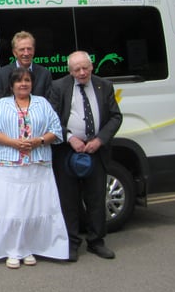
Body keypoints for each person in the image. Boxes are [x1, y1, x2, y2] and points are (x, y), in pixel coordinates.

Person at [0, 67, 69, 268]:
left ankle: (30, 248)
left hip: (37, 166)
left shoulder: (42, 104)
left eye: (27, 80)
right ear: (11, 85)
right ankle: (12, 250)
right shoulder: (2, 105)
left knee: (34, 208)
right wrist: (13, 143)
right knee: (11, 209)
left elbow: (56, 129)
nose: (23, 84)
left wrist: (40, 141)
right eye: (19, 81)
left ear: (32, 83)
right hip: (8, 167)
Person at [48, 51, 123, 261]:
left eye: (85, 68)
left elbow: (116, 117)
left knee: (96, 199)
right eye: (77, 70)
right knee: (69, 201)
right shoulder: (58, 87)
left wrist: (100, 140)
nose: (82, 73)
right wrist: (70, 137)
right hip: (67, 151)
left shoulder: (104, 85)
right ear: (70, 71)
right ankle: (71, 243)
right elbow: (51, 119)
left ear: (92, 67)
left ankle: (96, 241)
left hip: (96, 151)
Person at [0, 31, 52, 110]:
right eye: (22, 49)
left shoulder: (44, 74)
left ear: (34, 50)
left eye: (29, 49)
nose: (26, 53)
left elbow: (50, 105)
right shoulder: (1, 74)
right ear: (14, 53)